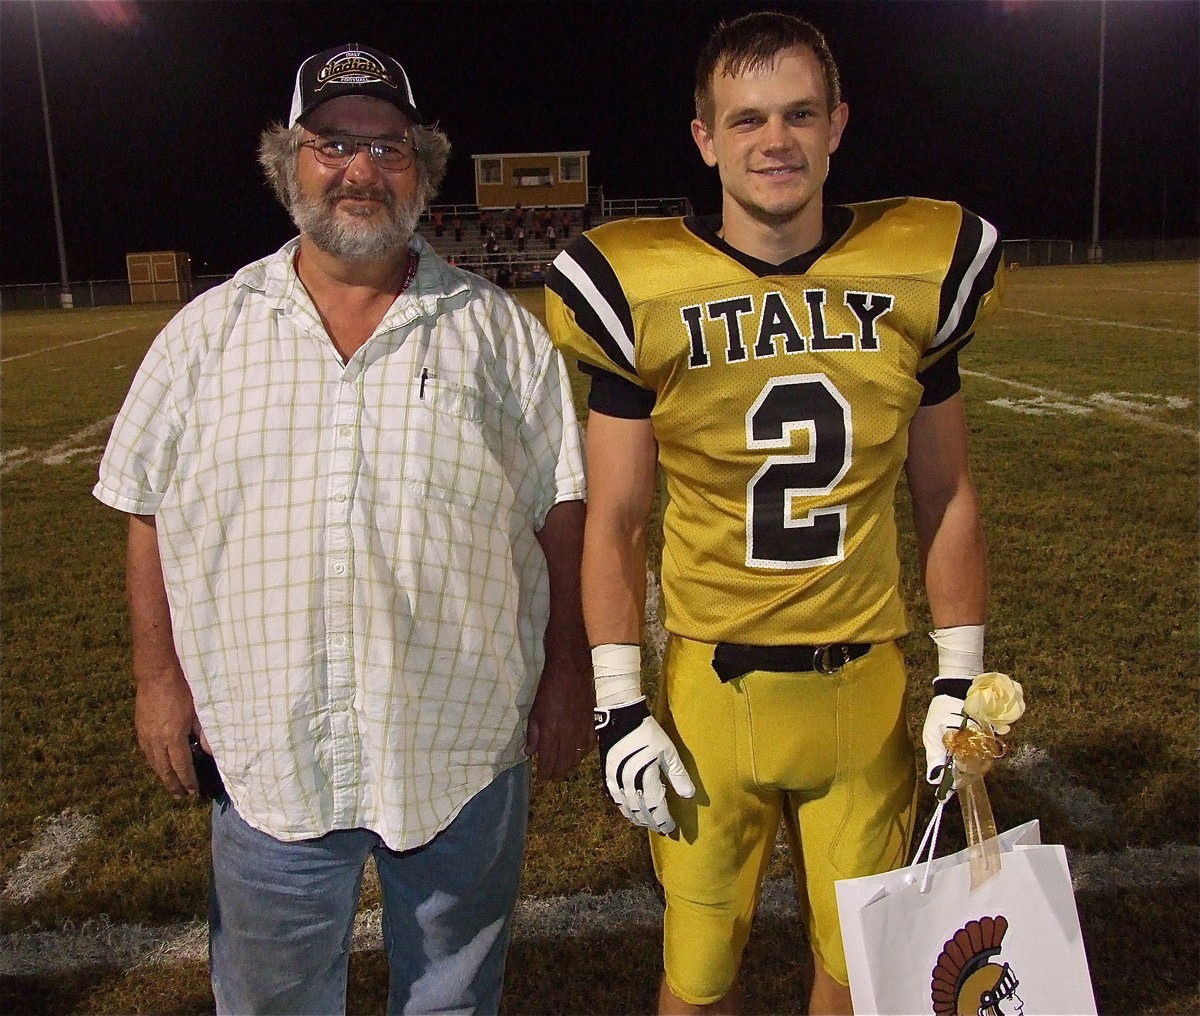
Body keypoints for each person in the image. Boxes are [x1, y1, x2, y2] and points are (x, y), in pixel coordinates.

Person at [94, 43, 592, 1016]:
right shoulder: (205, 334)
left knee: (453, 997)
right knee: (273, 1002)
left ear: (422, 169)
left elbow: (560, 511)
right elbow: (146, 507)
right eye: (332, 144)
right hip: (269, 750)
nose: (360, 169)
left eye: (387, 147)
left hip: (459, 745)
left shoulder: (500, 334)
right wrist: (158, 679)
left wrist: (568, 668)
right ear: (289, 162)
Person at [545, 12, 1002, 1016]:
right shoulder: (639, 284)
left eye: (799, 113)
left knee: (861, 964)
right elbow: (616, 516)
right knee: (699, 969)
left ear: (837, 124)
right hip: (714, 693)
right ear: (705, 138)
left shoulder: (914, 262)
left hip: (864, 687)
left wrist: (959, 673)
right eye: (746, 118)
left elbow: (946, 492)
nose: (775, 140)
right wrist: (620, 702)